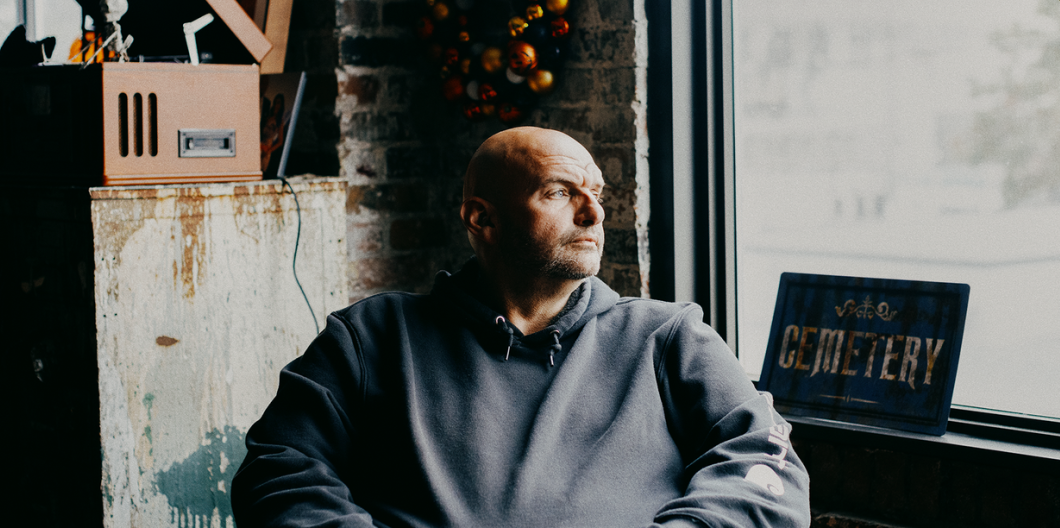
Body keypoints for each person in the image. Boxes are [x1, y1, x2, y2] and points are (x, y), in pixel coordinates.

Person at [232, 127, 810, 527]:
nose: (594, 213)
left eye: (596, 194)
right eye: (559, 192)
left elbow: (765, 467)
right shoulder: (373, 338)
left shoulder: (666, 337)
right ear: (482, 219)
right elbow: (278, 472)